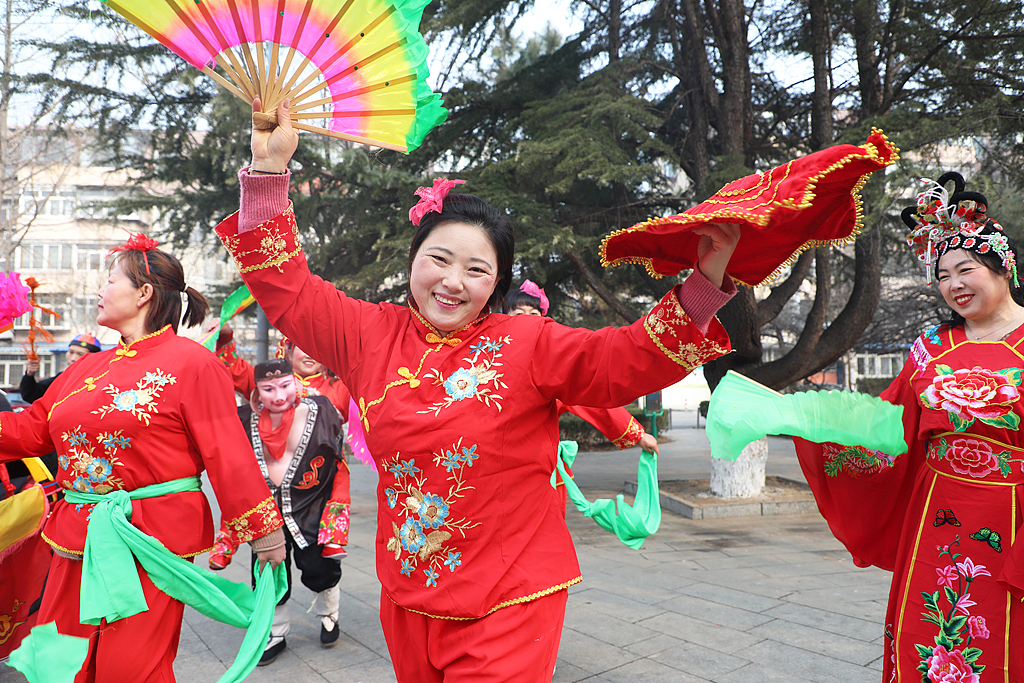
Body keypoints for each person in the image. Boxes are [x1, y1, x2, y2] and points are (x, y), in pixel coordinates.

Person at [213, 96, 739, 682]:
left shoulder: (529, 342)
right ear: (414, 261)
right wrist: (268, 171)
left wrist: (705, 282)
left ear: (497, 284)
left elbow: (623, 360)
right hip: (408, 590)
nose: (452, 282)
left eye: (477, 270)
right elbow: (285, 289)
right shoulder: (369, 333)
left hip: (511, 593)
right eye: (438, 259)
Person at [0, 235, 287, 682]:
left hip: (149, 540)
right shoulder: (85, 368)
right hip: (76, 533)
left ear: (144, 293)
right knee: (57, 661)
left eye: (109, 279)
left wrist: (264, 534)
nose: (100, 290)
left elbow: (226, 454)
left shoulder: (193, 364)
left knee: (130, 668)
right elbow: (32, 429)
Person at [791, 173, 1024, 681]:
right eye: (943, 276)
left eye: (966, 269)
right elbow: (887, 424)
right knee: (934, 633)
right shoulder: (931, 348)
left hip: (1012, 515)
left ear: (1002, 266)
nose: (954, 284)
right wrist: (812, 422)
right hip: (937, 512)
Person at [210, 358, 350, 665]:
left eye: (285, 385)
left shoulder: (321, 409)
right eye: (268, 388)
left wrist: (336, 517)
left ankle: (330, 614)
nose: (278, 395)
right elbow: (233, 472)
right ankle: (275, 632)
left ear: (295, 383)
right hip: (266, 512)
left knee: (320, 569)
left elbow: (337, 462)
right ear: (257, 390)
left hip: (310, 508)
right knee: (267, 573)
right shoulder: (243, 418)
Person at [505, 280, 659, 511]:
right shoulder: (488, 360)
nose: (527, 318)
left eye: (534, 313)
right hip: (496, 472)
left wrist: (637, 435)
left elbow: (590, 402)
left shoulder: (550, 363)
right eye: (519, 313)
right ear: (503, 316)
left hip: (541, 473)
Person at [212, 323, 351, 419]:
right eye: (305, 349)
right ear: (288, 353)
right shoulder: (268, 382)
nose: (311, 355)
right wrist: (225, 336)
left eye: (317, 351)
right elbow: (233, 367)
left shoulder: (339, 388)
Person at [19, 332, 102, 403]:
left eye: (80, 354)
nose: (73, 358)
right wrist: (29, 374)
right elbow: (31, 395)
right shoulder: (62, 378)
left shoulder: (101, 380)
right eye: (71, 352)